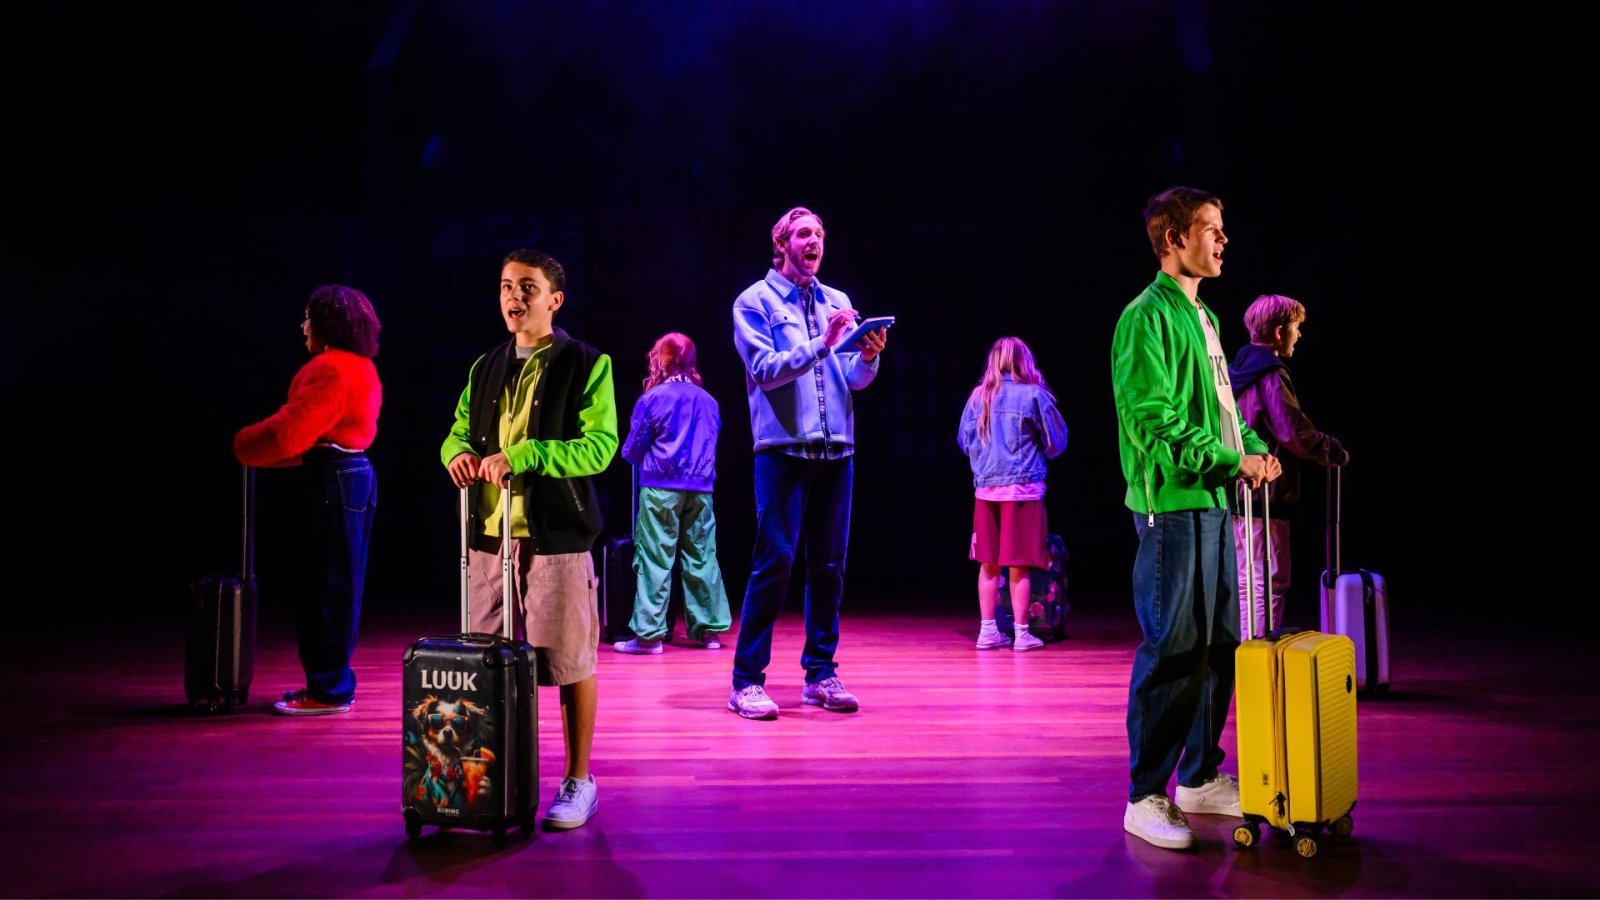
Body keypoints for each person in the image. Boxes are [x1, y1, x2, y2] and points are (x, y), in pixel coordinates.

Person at [1110, 187, 1281, 850]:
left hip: (1213, 503)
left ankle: (1199, 776)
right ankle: (1144, 794)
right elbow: (1153, 420)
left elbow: (1223, 411)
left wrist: (1254, 451)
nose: (1223, 239)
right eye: (1210, 228)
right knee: (1173, 647)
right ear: (1173, 239)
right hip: (1172, 507)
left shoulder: (1203, 315)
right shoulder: (1144, 317)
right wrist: (1230, 460)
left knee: (1218, 644)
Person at [440, 248, 618, 831]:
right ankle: (487, 777)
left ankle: (579, 779)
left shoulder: (587, 363)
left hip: (555, 539)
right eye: (505, 286)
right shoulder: (485, 365)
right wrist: (455, 454)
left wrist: (527, 454)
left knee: (568, 663)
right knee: (485, 666)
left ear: (554, 299)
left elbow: (600, 448)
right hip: (488, 541)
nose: (513, 296)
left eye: (527, 287)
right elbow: (458, 431)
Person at [727, 205, 889, 720]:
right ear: (782, 245)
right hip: (782, 450)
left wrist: (868, 356)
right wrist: (824, 343)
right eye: (802, 233)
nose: (813, 240)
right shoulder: (754, 301)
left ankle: (820, 674)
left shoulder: (836, 301)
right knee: (774, 561)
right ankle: (746, 682)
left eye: (818, 232)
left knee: (830, 566)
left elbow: (853, 379)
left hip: (837, 449)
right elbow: (765, 369)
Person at [234, 285, 382, 717]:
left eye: (308, 317)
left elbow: (288, 433)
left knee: (325, 587)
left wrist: (242, 445)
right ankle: (330, 683)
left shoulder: (331, 368)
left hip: (333, 480)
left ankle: (329, 690)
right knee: (338, 585)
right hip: (352, 474)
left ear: (327, 323)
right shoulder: (361, 367)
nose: (302, 326)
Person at [1229, 294, 1350, 635]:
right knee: (1269, 581)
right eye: (1297, 327)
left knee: (1245, 580)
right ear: (1279, 331)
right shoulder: (1269, 373)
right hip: (1266, 492)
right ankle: (1257, 658)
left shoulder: (1234, 371)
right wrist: (1331, 449)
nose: (1300, 335)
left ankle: (1244, 657)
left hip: (1236, 490)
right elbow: (1293, 431)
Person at [613, 332, 732, 654]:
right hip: (701, 490)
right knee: (702, 558)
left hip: (660, 488)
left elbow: (632, 451)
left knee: (655, 560)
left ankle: (649, 637)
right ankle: (708, 633)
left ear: (660, 359)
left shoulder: (651, 399)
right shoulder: (709, 401)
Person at [957, 337, 1069, 653]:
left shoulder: (978, 397)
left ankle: (987, 631)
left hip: (986, 490)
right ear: (1024, 361)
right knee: (1019, 564)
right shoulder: (1034, 395)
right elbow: (1057, 442)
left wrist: (986, 461)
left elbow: (963, 442)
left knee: (988, 563)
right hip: (1023, 491)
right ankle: (1021, 634)